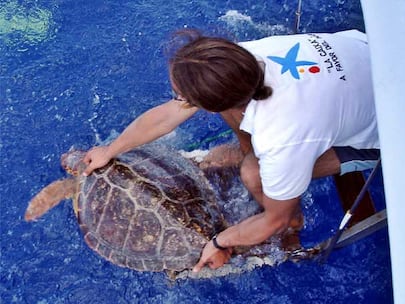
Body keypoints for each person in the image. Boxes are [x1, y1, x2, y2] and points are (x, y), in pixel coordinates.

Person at [82, 29, 380, 273]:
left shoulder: (283, 137)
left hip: (391, 129)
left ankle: (294, 226)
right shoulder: (237, 61)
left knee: (253, 174)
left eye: (181, 95)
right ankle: (252, 153)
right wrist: (112, 149)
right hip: (378, 53)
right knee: (250, 152)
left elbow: (273, 219)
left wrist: (221, 242)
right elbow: (167, 115)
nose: (178, 99)